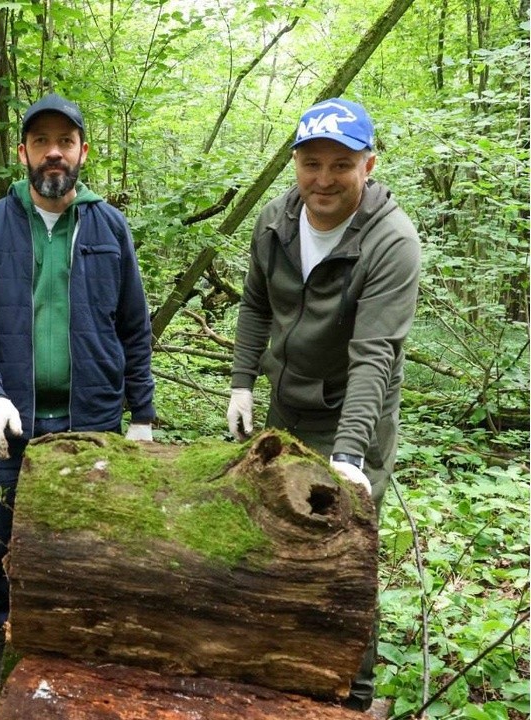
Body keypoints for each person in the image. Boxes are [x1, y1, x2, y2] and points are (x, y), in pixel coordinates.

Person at [0, 93, 156, 715]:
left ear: (83, 151)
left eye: (66, 140)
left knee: (90, 545)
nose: (54, 152)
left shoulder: (108, 226)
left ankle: (75, 660)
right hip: (9, 430)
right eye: (41, 142)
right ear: (24, 154)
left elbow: (134, 327)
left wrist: (141, 416)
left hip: (90, 423)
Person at [227, 97, 420, 711]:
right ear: (295, 165)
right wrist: (241, 383)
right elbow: (257, 306)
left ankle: (350, 694)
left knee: (343, 557)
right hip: (288, 412)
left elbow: (374, 355)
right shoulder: (275, 224)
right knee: (278, 542)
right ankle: (285, 676)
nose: (325, 179)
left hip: (354, 416)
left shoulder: (391, 242)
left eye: (342, 164)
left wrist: (350, 454)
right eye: (312, 163)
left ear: (368, 164)